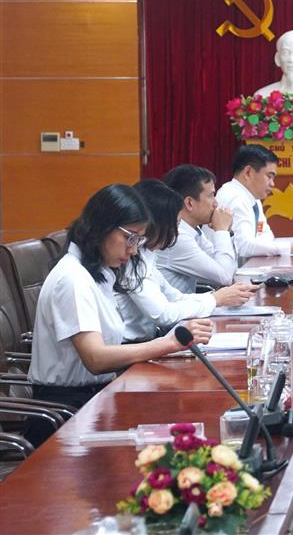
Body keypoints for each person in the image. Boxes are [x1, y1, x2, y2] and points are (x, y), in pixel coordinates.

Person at [26, 184, 213, 444]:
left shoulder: (101, 273)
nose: (134, 250)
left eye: (139, 240)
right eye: (130, 238)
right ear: (102, 228)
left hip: (96, 398)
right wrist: (168, 344)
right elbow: (96, 358)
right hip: (65, 413)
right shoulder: (73, 279)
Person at [116, 180, 257, 343]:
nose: (176, 231)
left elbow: (174, 297)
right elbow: (162, 314)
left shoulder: (145, 254)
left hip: (150, 339)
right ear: (157, 224)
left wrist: (221, 296)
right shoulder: (130, 258)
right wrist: (216, 299)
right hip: (132, 346)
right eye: (175, 224)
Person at [215, 144, 293, 258]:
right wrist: (291, 248)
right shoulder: (234, 197)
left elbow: (267, 237)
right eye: (269, 176)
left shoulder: (253, 199)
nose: (272, 184)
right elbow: (244, 246)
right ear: (248, 172)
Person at [158, 164, 238, 293]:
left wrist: (227, 232)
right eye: (211, 196)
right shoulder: (177, 237)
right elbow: (225, 277)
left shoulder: (194, 230)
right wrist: (222, 230)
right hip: (174, 305)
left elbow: (230, 269)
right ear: (189, 203)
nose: (216, 203)